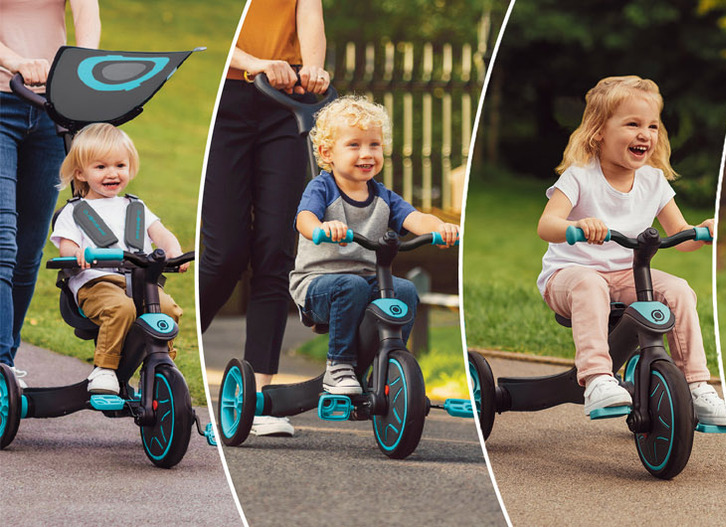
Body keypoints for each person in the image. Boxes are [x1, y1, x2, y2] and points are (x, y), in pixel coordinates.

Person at [535, 75, 726, 425]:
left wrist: (704, 232)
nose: (645, 134)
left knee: (678, 291)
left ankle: (696, 386)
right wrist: (576, 228)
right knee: (590, 285)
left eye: (652, 126)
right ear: (599, 132)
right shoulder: (580, 177)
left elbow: (680, 236)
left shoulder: (653, 181)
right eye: (633, 124)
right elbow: (546, 225)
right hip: (569, 276)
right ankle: (596, 378)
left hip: (624, 276)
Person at [199, 0, 329, 436]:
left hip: (285, 98)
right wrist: (253, 62)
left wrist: (312, 69)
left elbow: (309, 15)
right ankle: (168, 350)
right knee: (224, 255)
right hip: (228, 96)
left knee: (277, 251)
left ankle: (255, 399)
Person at [289, 95, 459, 394]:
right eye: (354, 145)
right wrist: (321, 228)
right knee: (350, 287)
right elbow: (304, 219)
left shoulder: (383, 196)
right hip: (318, 284)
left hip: (367, 281)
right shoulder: (322, 187)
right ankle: (338, 366)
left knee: (404, 291)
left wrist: (441, 228)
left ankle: (385, 365)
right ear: (327, 152)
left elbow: (415, 218)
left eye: (374, 145)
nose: (366, 153)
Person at [0, 0, 100, 389]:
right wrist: (17, 61)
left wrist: (82, 69)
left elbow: (86, 15)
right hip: (3, 97)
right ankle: (1, 368)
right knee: (3, 243)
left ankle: (6, 364)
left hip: (50, 108)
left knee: (28, 250)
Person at [49, 124, 184, 394]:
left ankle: (160, 365)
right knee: (120, 309)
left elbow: (163, 235)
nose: (112, 173)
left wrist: (174, 251)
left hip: (140, 283)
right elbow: (66, 247)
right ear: (80, 173)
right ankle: (105, 369)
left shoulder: (135, 207)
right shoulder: (75, 212)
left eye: (120, 165)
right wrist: (77, 254)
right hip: (96, 283)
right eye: (100, 167)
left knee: (168, 310)